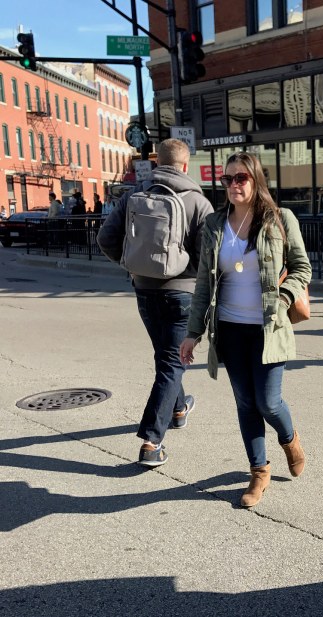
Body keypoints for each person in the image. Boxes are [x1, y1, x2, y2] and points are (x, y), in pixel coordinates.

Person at [179, 152, 312, 509]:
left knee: (268, 401)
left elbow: (302, 267)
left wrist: (283, 298)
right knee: (245, 402)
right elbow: (204, 286)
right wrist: (193, 333)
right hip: (230, 328)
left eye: (241, 178)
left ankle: (290, 439)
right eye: (227, 179)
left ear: (255, 180)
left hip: (269, 327)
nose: (233, 185)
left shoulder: (280, 219)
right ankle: (259, 472)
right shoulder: (214, 225)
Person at [97, 138, 213, 467]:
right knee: (171, 363)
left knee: (166, 359)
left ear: (157, 161)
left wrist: (131, 264)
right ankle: (151, 441)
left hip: (144, 290)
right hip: (183, 294)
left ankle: (178, 409)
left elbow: (105, 238)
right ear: (186, 165)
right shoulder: (198, 203)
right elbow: (208, 257)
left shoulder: (134, 196)